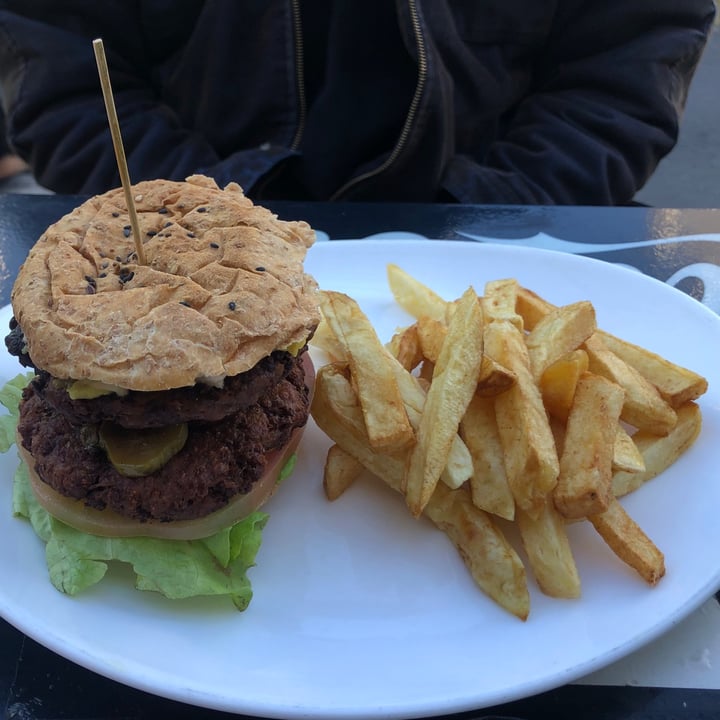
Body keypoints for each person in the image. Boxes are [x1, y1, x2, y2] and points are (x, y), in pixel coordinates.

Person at [0, 2, 715, 205]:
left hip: (503, 224)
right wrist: (198, 221)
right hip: (185, 222)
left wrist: (504, 204)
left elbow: (629, 53)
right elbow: (59, 66)